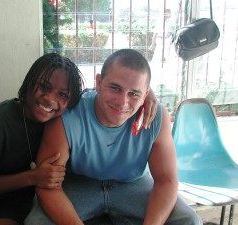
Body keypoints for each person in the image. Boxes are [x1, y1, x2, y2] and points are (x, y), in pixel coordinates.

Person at [0, 53, 157, 225]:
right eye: (43, 87)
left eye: (62, 95)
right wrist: (33, 177)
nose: (51, 99)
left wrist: (146, 95)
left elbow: (106, 93)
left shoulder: (62, 118)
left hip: (12, 198)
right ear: (29, 81)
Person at [25, 49, 202, 225]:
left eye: (134, 94)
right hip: (80, 184)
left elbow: (166, 179)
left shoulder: (155, 118)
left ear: (145, 95)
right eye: (115, 88)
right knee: (36, 222)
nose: (122, 102)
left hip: (133, 185)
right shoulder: (68, 116)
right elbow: (48, 185)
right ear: (99, 82)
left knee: (189, 220)